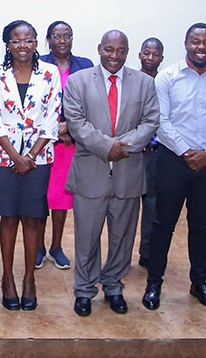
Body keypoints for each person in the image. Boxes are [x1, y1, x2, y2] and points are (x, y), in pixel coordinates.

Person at [142, 23, 206, 312]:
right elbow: (162, 120)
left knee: (201, 225)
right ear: (185, 43)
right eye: (196, 42)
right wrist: (186, 151)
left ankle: (199, 283)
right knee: (163, 225)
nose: (201, 47)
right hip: (173, 161)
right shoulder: (168, 78)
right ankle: (154, 283)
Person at [64, 30, 159, 317]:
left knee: (123, 237)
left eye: (120, 50)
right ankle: (84, 289)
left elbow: (151, 121)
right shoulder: (78, 81)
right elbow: (76, 122)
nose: (114, 56)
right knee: (87, 237)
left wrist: (122, 147)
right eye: (109, 49)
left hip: (128, 173)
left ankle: (113, 286)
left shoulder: (144, 83)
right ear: (99, 49)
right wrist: (108, 147)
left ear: (127, 52)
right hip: (90, 172)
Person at [0, 20, 62, 311]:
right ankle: (8, 278)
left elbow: (53, 116)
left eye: (28, 41)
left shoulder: (50, 73)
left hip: (38, 160)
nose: (22, 46)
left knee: (32, 218)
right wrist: (15, 156)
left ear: (36, 43)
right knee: (9, 218)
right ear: (7, 44)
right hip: (3, 158)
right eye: (16, 41)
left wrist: (29, 155)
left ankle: (29, 279)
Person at [37, 20, 94, 269]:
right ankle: (37, 246)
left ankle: (56, 246)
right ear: (48, 39)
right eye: (57, 36)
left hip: (71, 142)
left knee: (60, 197)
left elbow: (92, 102)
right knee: (38, 195)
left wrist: (70, 125)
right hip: (40, 141)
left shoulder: (86, 66)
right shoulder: (37, 64)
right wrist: (53, 128)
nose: (62, 41)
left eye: (67, 36)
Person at [136, 37, 164, 269]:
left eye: (155, 55)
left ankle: (147, 252)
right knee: (126, 206)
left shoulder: (167, 83)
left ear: (161, 59)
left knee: (153, 206)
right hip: (132, 153)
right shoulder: (130, 81)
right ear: (139, 55)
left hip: (157, 153)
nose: (151, 58)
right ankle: (120, 255)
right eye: (147, 53)